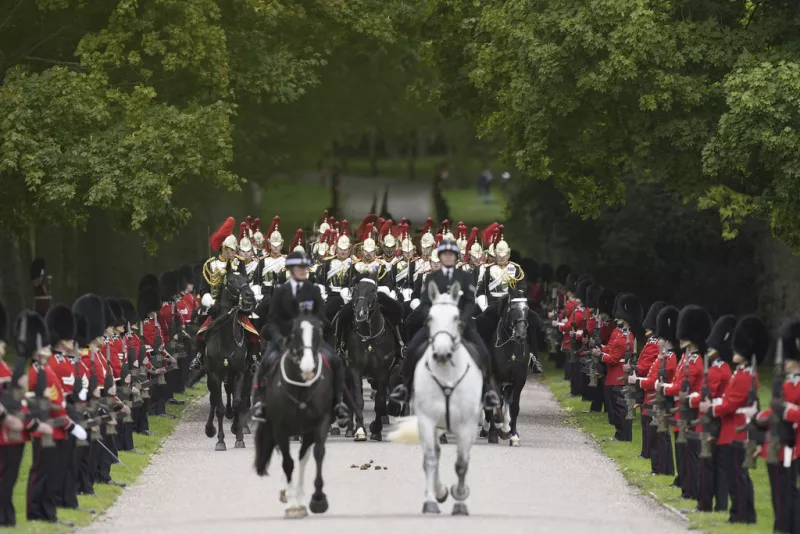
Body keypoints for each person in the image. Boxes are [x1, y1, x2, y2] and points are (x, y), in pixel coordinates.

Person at [390, 237, 500, 409]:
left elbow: (470, 302)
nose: (448, 258)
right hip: (437, 324)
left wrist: (463, 320)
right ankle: (406, 388)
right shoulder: (431, 277)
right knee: (411, 350)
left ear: (456, 257)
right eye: (445, 254)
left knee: (484, 352)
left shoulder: (465, 277)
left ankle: (487, 393)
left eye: (451, 254)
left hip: (460, 324)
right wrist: (430, 318)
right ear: (440, 256)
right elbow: (425, 302)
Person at [252, 251, 348, 423]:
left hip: (310, 339)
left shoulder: (313, 290)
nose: (304, 270)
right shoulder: (281, 291)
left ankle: (338, 403)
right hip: (285, 338)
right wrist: (279, 339)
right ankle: (260, 402)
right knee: (266, 361)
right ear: (291, 269)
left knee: (335, 360)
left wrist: (322, 325)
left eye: (305, 267)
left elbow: (321, 315)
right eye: (300, 267)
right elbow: (272, 320)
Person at [699, 315, 765, 525]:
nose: (733, 352)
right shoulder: (741, 373)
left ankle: (739, 516)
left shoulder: (745, 375)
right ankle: (745, 516)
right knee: (738, 477)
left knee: (737, 478)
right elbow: (729, 398)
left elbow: (731, 404)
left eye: (737, 350)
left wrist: (711, 407)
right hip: (731, 430)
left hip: (735, 432)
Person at [660, 305, 711, 500]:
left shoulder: (695, 361)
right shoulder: (685, 359)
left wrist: (663, 387)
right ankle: (685, 487)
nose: (680, 338)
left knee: (689, 456)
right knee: (682, 454)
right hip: (680, 411)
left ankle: (691, 491)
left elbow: (680, 387)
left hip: (690, 413)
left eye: (684, 336)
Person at [191, 217, 239, 371]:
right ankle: (198, 357)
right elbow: (203, 289)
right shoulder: (210, 265)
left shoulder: (238, 265)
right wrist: (211, 303)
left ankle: (253, 358)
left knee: (253, 333)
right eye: (232, 249)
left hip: (235, 307)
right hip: (215, 307)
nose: (234, 252)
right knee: (201, 332)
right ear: (223, 248)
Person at [0, 300, 28, 527]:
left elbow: (13, 394)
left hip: (15, 432)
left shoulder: (7, 367)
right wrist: (6, 417)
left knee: (10, 478)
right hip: (3, 429)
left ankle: (7, 516)